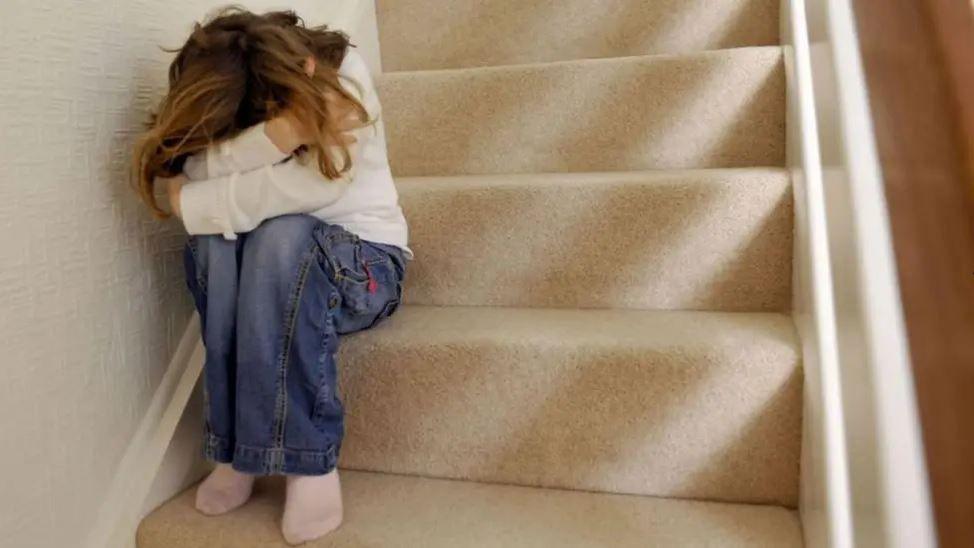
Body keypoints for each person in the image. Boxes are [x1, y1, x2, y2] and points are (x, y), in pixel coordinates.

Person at [132, 7, 409, 545]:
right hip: (271, 275)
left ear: (302, 69)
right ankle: (239, 452)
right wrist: (279, 136)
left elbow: (315, 189)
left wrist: (199, 199)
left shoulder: (340, 75)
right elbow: (185, 166)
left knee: (282, 233)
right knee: (216, 241)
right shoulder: (230, 77)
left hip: (365, 268)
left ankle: (308, 461)